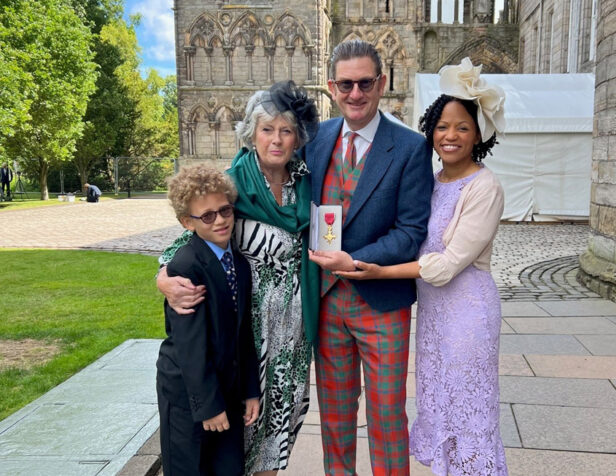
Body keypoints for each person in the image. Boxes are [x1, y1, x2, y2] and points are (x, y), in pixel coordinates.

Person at [337, 57, 508, 475]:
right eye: (442, 126)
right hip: (434, 316)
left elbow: (446, 266)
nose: (450, 135)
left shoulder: (484, 187)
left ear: (478, 134)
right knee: (440, 403)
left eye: (462, 127)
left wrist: (378, 271)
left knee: (468, 408)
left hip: (467, 313)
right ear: (431, 129)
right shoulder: (432, 181)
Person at [158, 80, 320, 476]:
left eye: (286, 130)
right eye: (267, 129)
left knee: (278, 430)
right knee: (242, 435)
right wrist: (163, 276)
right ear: (252, 134)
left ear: (298, 137)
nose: (277, 140)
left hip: (291, 333)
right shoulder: (234, 183)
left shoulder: (305, 182)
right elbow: (186, 240)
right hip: (248, 334)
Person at [305, 39, 434, 476]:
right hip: (326, 303)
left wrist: (354, 260)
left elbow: (412, 231)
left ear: (381, 84)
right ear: (331, 87)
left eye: (364, 83)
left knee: (386, 417)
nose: (355, 94)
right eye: (346, 84)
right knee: (335, 418)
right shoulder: (316, 139)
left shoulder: (411, 147)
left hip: (381, 302)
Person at [156, 164, 260, 476]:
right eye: (207, 216)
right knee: (191, 468)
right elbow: (190, 345)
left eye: (225, 211)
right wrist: (208, 406)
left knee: (229, 468)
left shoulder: (238, 264)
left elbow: (243, 333)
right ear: (187, 222)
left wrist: (250, 390)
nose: (220, 221)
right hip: (190, 395)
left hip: (228, 389)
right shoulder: (186, 267)